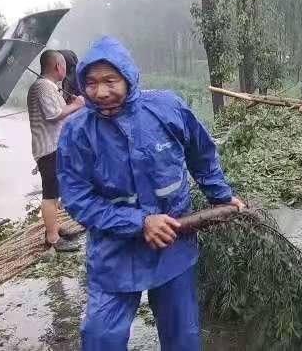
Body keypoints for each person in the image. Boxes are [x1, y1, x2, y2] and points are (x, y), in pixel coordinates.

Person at [56, 36, 244, 351]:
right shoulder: (77, 132)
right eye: (90, 83)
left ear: (128, 78)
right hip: (113, 251)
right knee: (101, 337)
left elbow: (201, 154)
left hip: (173, 244)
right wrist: (140, 222)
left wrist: (222, 197)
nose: (100, 92)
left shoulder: (165, 108)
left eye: (109, 81)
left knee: (182, 336)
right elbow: (78, 198)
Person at [26, 50, 85, 252]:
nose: (67, 71)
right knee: (50, 195)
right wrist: (76, 104)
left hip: (54, 147)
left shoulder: (49, 87)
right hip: (48, 149)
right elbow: (54, 115)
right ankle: (52, 239)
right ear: (58, 66)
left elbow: (62, 118)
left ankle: (55, 228)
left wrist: (75, 108)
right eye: (65, 67)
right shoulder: (43, 86)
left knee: (55, 192)